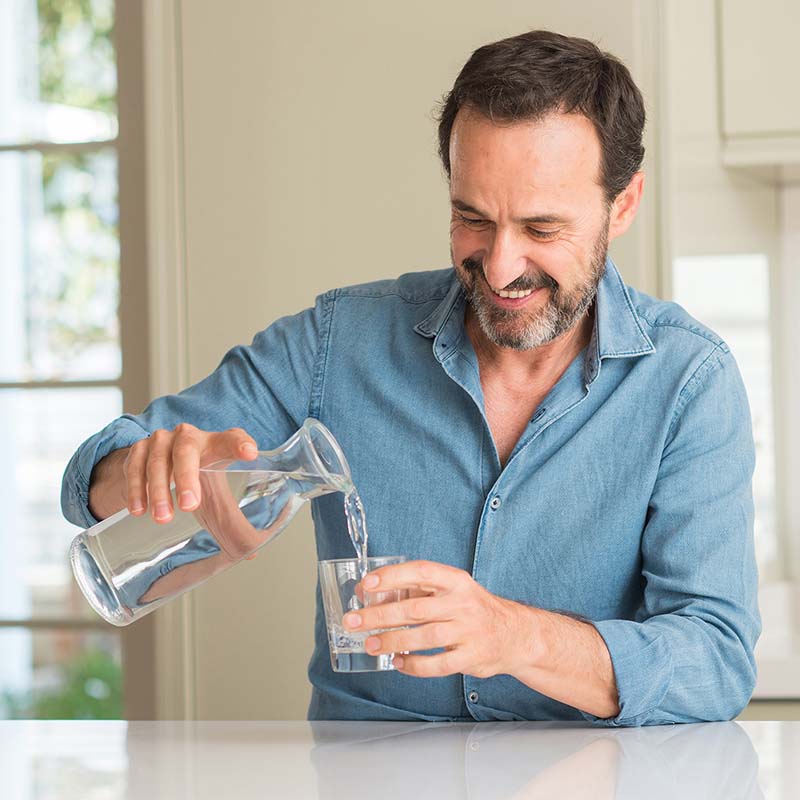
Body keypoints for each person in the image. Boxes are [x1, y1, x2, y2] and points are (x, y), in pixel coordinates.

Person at [62, 30, 761, 726]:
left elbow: (717, 661)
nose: (500, 265)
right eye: (472, 219)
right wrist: (147, 471)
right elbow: (88, 480)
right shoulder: (339, 343)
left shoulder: (687, 383)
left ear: (625, 203)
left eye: (542, 228)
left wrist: (513, 636)